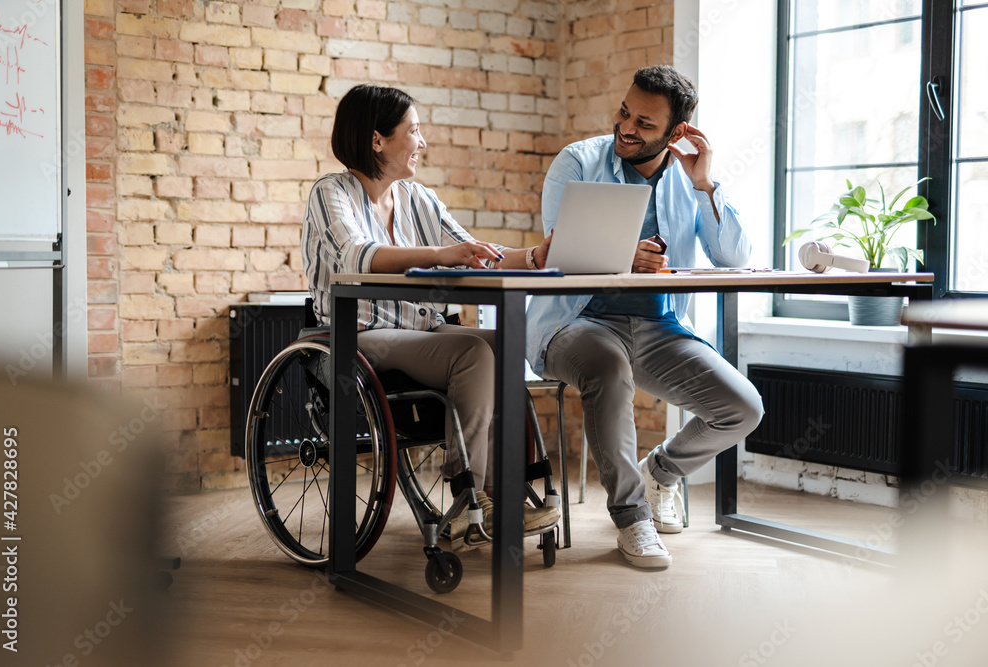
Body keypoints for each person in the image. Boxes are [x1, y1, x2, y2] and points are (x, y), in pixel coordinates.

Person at [301, 84, 559, 551]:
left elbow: (480, 254)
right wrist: (443, 254)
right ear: (377, 140)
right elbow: (359, 256)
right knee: (472, 352)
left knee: (504, 343)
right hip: (355, 335)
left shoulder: (421, 198)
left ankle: (506, 491)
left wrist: (537, 255)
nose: (422, 142)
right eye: (414, 131)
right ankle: (469, 496)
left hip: (420, 330)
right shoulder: (330, 193)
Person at [525, 65, 764, 568]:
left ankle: (660, 471)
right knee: (609, 368)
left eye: (645, 124)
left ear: (676, 133)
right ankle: (633, 519)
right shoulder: (578, 162)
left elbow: (734, 258)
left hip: (660, 329)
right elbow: (556, 251)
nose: (626, 127)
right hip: (576, 324)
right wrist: (623, 254)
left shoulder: (685, 175)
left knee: (742, 407)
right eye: (624, 112)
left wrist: (705, 184)